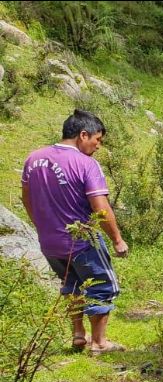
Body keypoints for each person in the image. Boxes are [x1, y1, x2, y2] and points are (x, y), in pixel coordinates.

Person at [21, 109, 128, 356]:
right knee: (103, 286)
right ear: (83, 135)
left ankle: (79, 336)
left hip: (49, 243)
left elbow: (27, 198)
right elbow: (100, 208)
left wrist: (42, 226)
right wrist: (117, 239)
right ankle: (100, 343)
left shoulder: (33, 159)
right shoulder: (86, 164)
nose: (98, 146)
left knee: (72, 285)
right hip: (82, 241)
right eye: (97, 140)